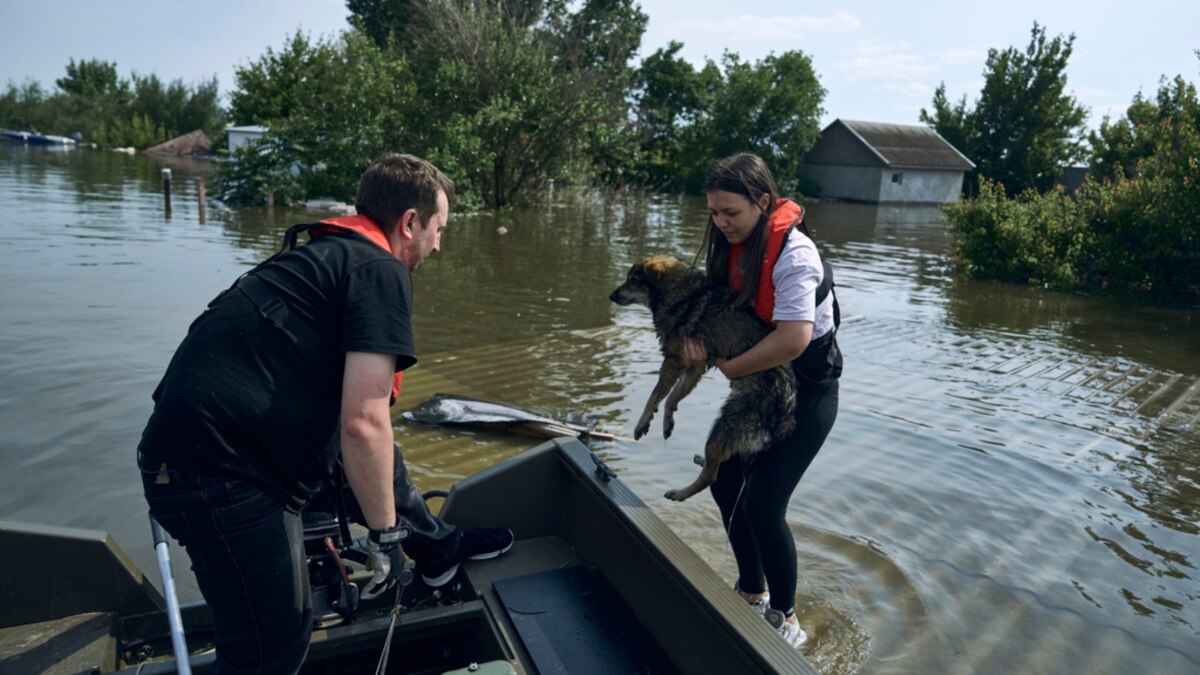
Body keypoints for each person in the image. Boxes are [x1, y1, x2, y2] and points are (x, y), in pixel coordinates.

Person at [137, 153, 513, 674]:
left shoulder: (328, 256)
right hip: (220, 477)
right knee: (273, 649)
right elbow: (364, 421)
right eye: (438, 229)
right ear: (409, 223)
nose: (438, 245)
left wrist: (397, 526)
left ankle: (439, 553)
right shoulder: (382, 270)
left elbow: (360, 432)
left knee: (381, 464)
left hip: (203, 454)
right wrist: (384, 538)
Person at [682, 153, 841, 648]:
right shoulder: (728, 247)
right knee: (725, 480)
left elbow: (793, 339)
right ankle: (752, 590)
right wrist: (696, 345)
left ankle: (786, 618)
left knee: (763, 503)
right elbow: (712, 311)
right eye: (713, 212)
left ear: (763, 202)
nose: (720, 222)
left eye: (731, 212)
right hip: (763, 390)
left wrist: (728, 367)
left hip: (808, 391)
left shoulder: (795, 255)